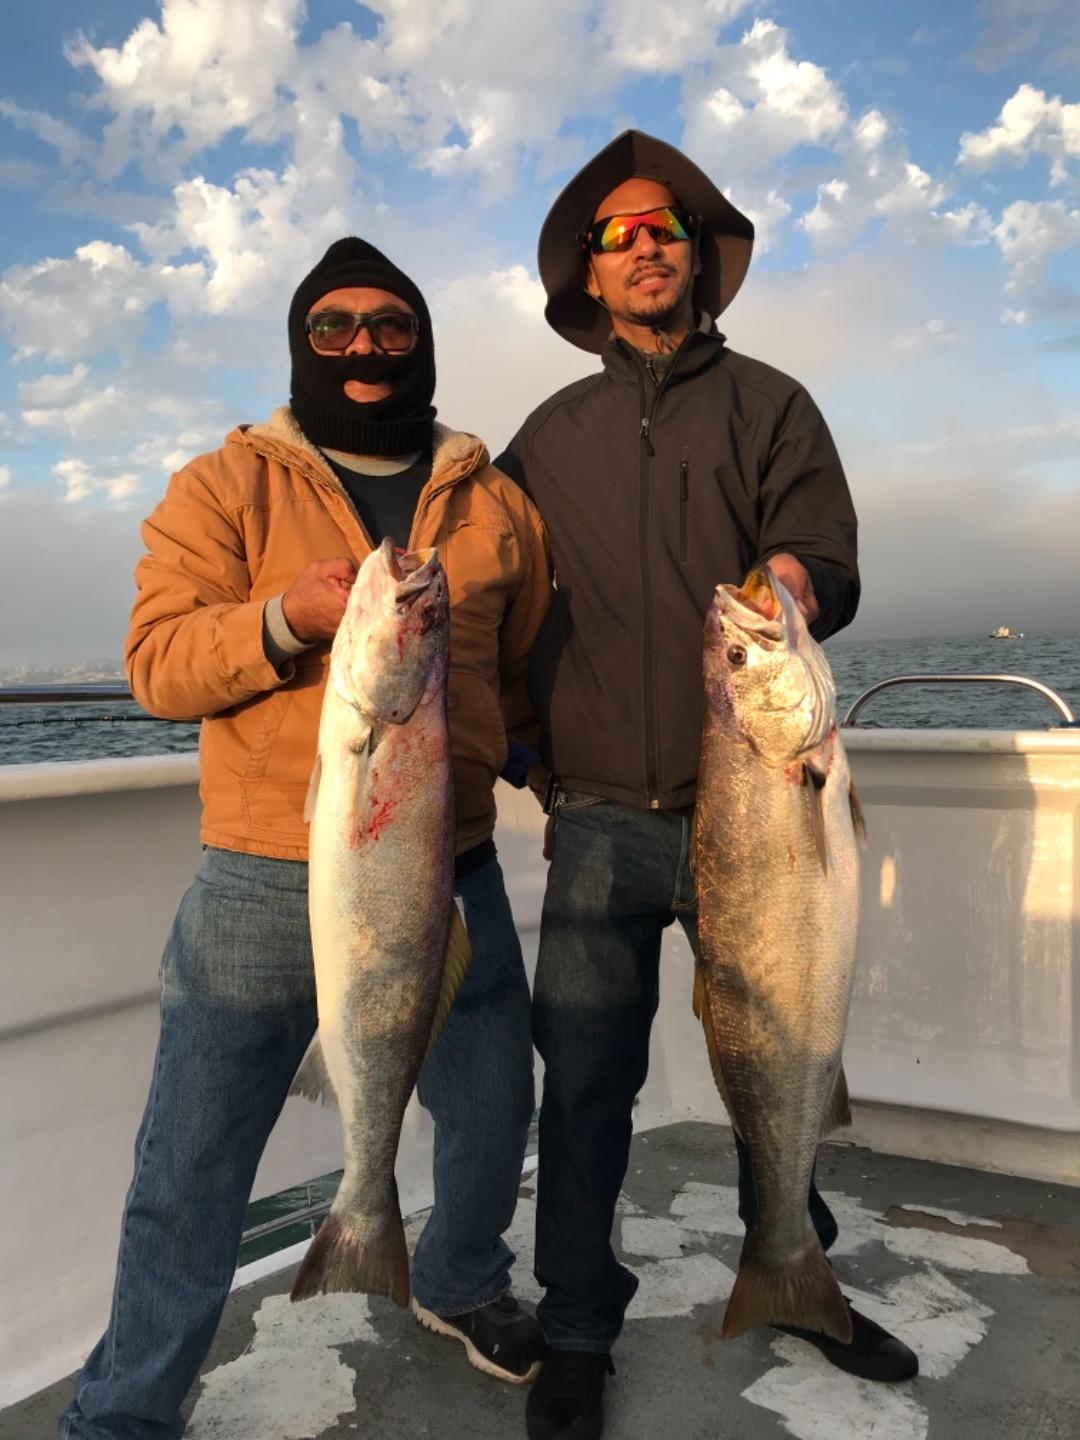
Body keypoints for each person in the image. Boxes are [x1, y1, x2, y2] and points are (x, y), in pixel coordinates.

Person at [60, 237, 551, 1440]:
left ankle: (457, 1278)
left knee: (493, 1106)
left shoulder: (495, 499)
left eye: (390, 324)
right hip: (258, 879)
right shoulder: (224, 485)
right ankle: (125, 1412)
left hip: (453, 864)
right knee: (192, 1166)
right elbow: (159, 665)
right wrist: (288, 617)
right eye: (333, 328)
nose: (365, 347)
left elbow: (521, 663)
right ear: (301, 344)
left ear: (421, 339)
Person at [493, 131, 919, 1440]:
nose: (644, 245)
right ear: (590, 270)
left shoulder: (774, 406)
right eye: (618, 233)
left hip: (758, 797)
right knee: (586, 1084)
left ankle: (794, 1272)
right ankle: (574, 1330)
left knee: (779, 1053)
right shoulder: (542, 441)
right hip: (605, 823)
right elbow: (494, 614)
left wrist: (790, 584)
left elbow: (826, 555)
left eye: (665, 227)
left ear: (699, 255)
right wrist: (530, 757)